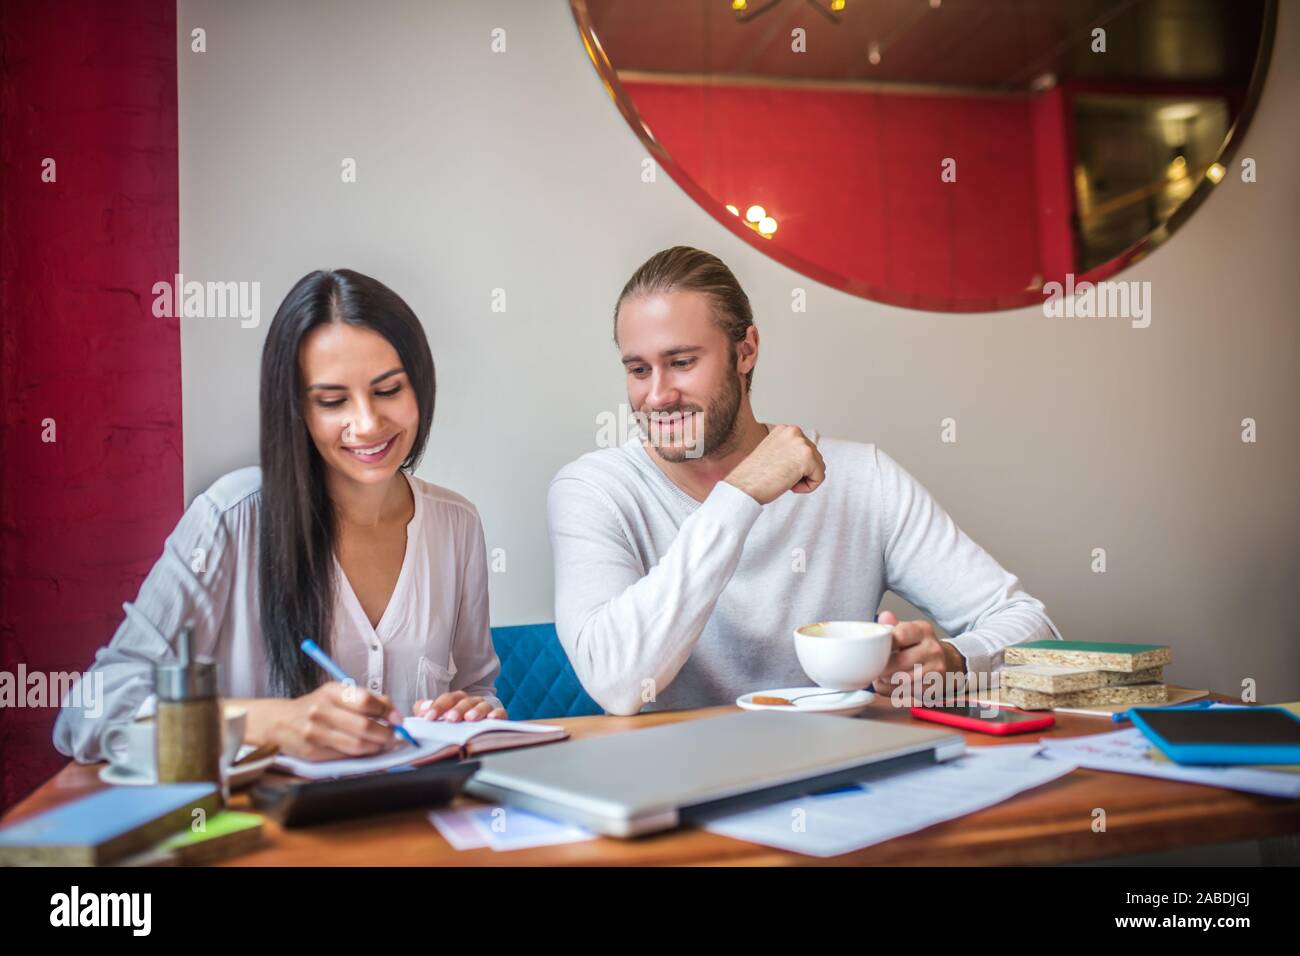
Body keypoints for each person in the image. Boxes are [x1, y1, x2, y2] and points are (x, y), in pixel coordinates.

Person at [548, 246, 1061, 715]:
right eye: (638, 370)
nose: (657, 396)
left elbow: (1035, 629)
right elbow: (616, 683)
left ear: (745, 351)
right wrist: (740, 495)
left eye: (681, 362)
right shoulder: (594, 491)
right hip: (677, 792)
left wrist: (954, 660)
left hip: (838, 774)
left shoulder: (862, 478)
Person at [55, 269, 505, 763]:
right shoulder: (230, 519)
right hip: (267, 831)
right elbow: (90, 713)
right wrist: (267, 722)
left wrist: (470, 711)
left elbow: (477, 689)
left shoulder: (457, 524)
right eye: (333, 401)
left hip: (410, 826)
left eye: (388, 390)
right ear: (297, 410)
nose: (369, 423)